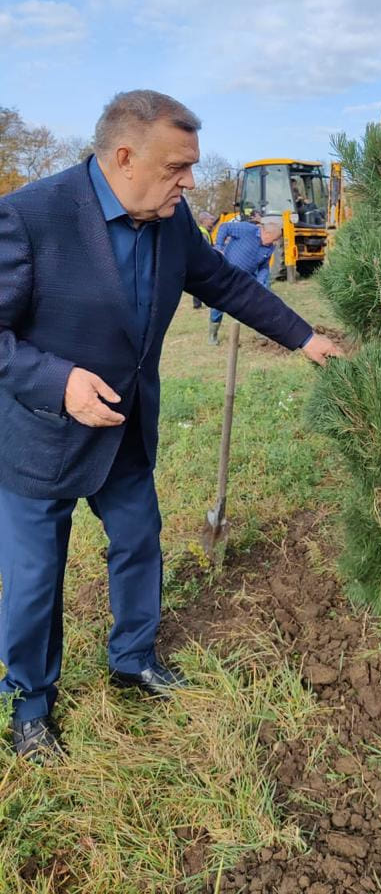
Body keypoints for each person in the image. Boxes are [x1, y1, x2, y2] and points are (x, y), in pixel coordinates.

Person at [0, 89, 342, 760]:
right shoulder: (29, 216)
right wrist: (59, 381)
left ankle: (134, 661)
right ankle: (32, 705)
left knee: (138, 543)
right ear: (124, 156)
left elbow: (227, 284)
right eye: (177, 167)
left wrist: (304, 338)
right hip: (40, 434)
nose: (190, 180)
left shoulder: (171, 220)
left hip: (123, 429)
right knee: (37, 577)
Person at [208, 218, 283, 345]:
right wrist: (219, 247)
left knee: (258, 303)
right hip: (226, 272)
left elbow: (264, 266)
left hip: (246, 278)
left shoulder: (269, 247)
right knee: (218, 304)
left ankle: (261, 333)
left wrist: (261, 282)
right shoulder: (247, 229)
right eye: (274, 239)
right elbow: (224, 227)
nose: (275, 243)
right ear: (267, 233)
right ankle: (212, 335)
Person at [191, 211, 216, 308]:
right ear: (204, 220)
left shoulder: (203, 231)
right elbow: (204, 248)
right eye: (211, 219)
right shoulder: (202, 232)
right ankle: (198, 304)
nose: (213, 221)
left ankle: (198, 304)